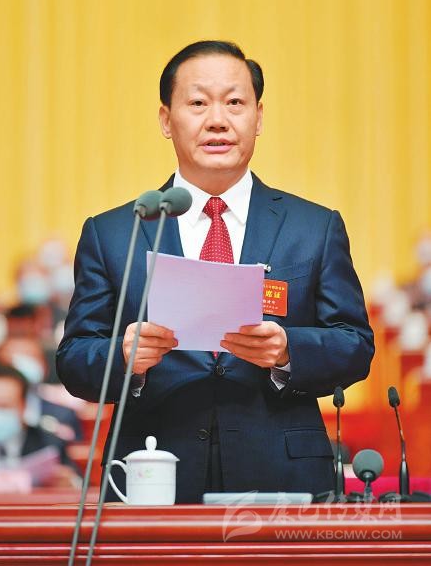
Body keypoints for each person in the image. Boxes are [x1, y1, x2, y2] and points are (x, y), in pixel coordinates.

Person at [57, 40, 374, 503]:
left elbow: (356, 344)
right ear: (166, 120)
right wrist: (124, 357)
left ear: (258, 118)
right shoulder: (114, 233)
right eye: (198, 103)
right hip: (151, 473)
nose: (218, 120)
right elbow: (73, 358)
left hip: (282, 476)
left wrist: (288, 350)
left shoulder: (314, 227)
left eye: (235, 102)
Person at [0, 361, 80, 488]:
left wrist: (67, 482)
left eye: (4, 406)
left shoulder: (49, 443)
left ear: (23, 406)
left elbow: (77, 483)